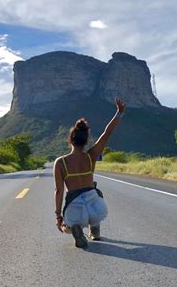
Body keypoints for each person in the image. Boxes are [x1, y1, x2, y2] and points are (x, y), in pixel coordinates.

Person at [53, 98, 126, 248]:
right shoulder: (90, 156)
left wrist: (58, 216)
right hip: (97, 208)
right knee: (96, 191)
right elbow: (107, 133)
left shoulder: (60, 162)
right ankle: (95, 228)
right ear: (86, 141)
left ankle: (74, 228)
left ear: (70, 140)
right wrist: (119, 113)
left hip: (75, 210)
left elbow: (59, 191)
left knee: (65, 225)